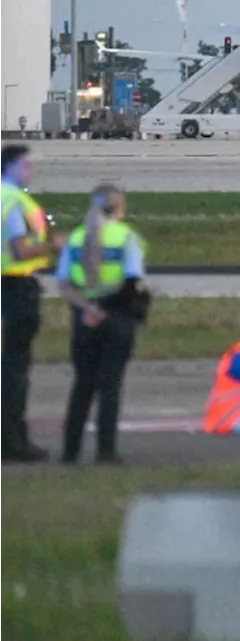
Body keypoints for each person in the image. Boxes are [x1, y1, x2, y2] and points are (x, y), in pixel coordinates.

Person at [54, 184, 147, 464]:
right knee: (110, 386)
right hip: (117, 318)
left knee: (82, 384)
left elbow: (63, 283)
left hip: (85, 319)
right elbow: (131, 282)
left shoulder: (76, 238)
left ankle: (70, 451)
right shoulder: (125, 237)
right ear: (119, 207)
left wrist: (88, 307)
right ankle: (106, 451)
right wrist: (105, 308)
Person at [0, 145, 65, 462]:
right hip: (15, 285)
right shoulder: (12, 202)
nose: (31, 170)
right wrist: (52, 245)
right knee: (15, 368)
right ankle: (12, 442)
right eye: (25, 165)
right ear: (10, 167)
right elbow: (20, 251)